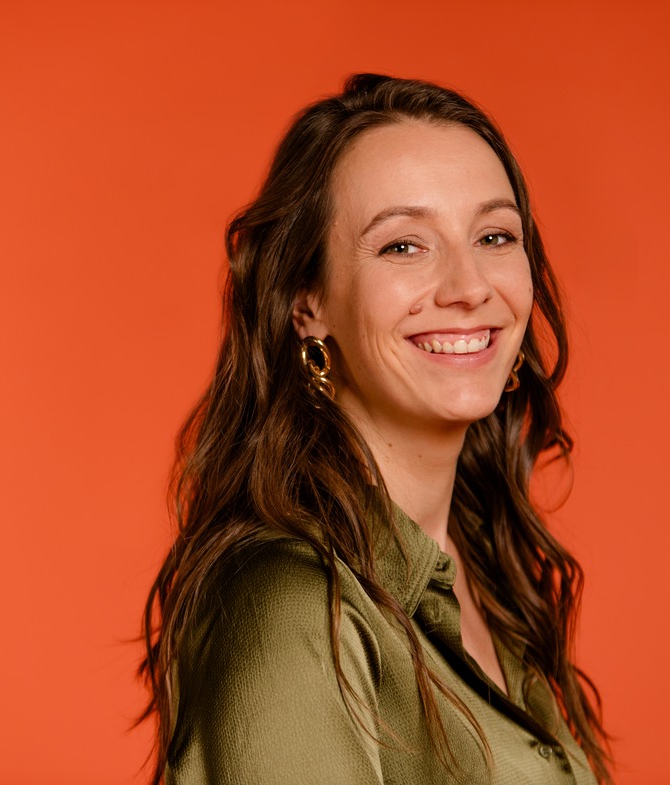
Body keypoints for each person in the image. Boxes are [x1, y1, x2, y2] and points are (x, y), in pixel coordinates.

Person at [139, 73, 612, 785]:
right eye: (403, 246)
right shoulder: (294, 606)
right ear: (307, 301)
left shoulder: (488, 577)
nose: (469, 287)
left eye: (493, 235)